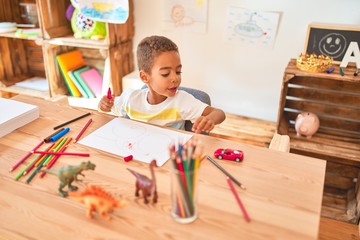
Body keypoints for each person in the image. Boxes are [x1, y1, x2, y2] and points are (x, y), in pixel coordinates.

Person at [98, 35, 225, 134]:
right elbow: (108, 108)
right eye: (165, 74)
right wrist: (103, 104)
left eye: (178, 71)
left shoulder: (181, 101)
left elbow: (219, 113)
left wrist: (210, 119)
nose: (175, 78)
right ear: (144, 77)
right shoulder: (131, 99)